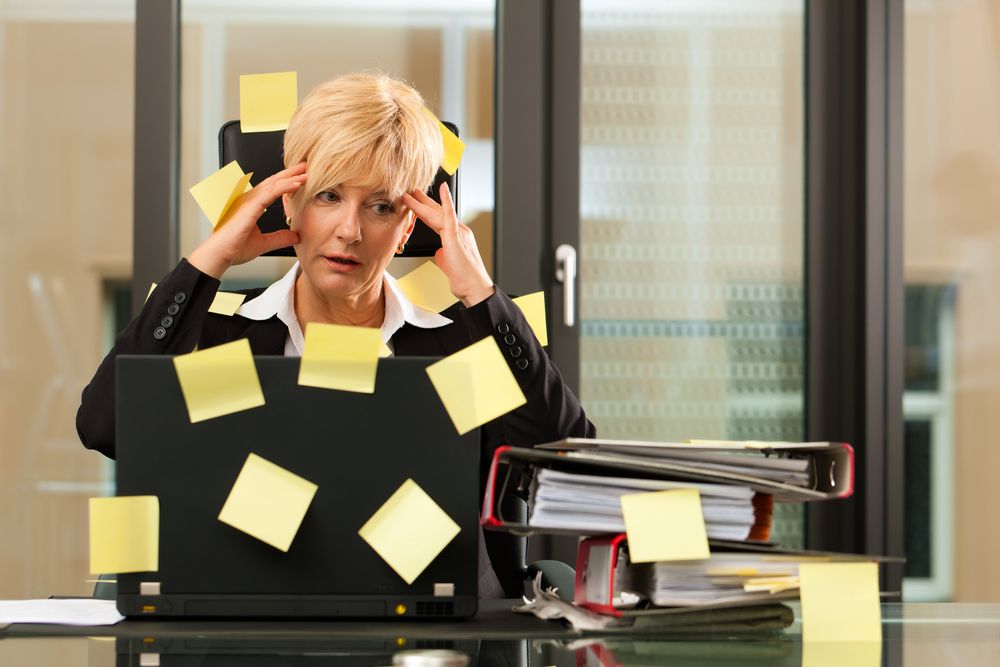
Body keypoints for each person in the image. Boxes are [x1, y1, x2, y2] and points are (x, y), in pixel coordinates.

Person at [76, 72, 595, 598]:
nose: (350, 230)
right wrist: (209, 260)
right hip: (250, 635)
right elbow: (105, 426)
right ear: (288, 203)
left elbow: (560, 457)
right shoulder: (220, 339)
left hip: (426, 640)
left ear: (407, 227)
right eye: (328, 196)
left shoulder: (458, 348)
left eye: (380, 206)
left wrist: (481, 295)